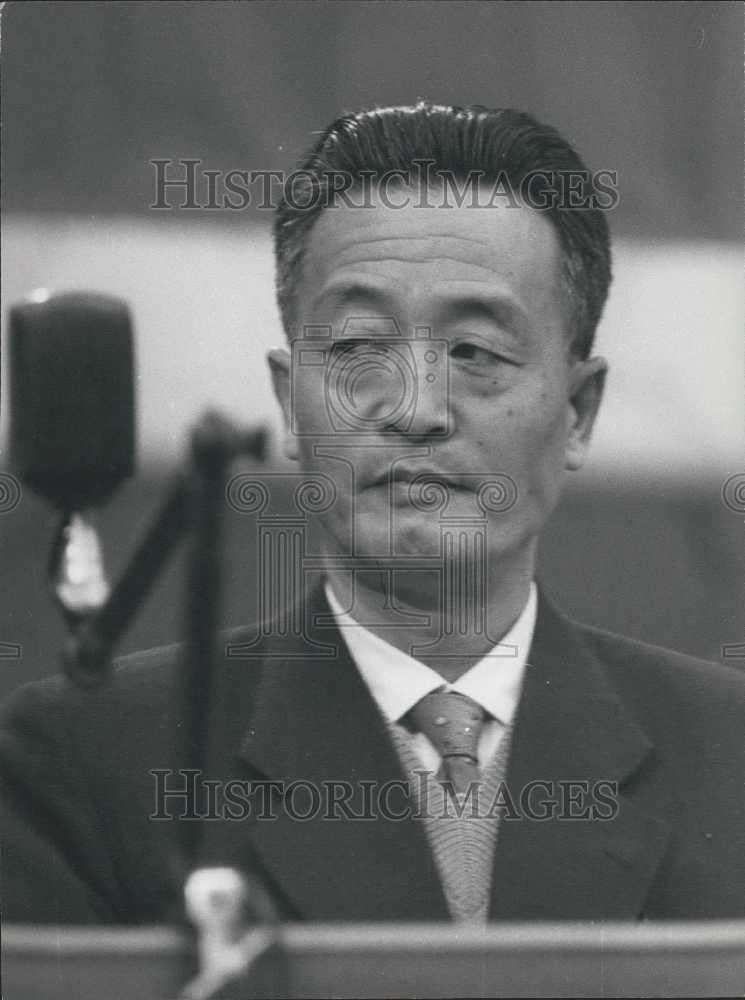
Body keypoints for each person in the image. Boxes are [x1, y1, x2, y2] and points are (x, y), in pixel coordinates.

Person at [1, 103, 744, 926]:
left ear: (579, 410)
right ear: (290, 402)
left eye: (475, 353)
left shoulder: (730, 757)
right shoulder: (87, 761)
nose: (416, 410)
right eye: (359, 350)